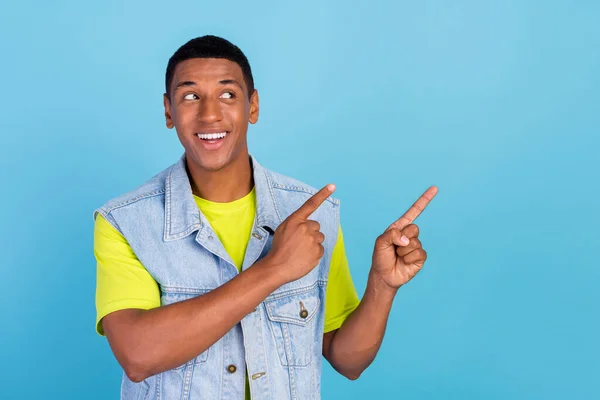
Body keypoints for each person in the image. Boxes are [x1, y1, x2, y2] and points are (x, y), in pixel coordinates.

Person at [93, 35, 437, 400]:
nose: (210, 113)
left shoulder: (311, 213)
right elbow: (137, 355)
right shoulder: (125, 222)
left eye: (228, 94)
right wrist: (275, 268)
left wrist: (382, 286)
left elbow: (347, 360)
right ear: (168, 111)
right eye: (190, 96)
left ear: (253, 106)